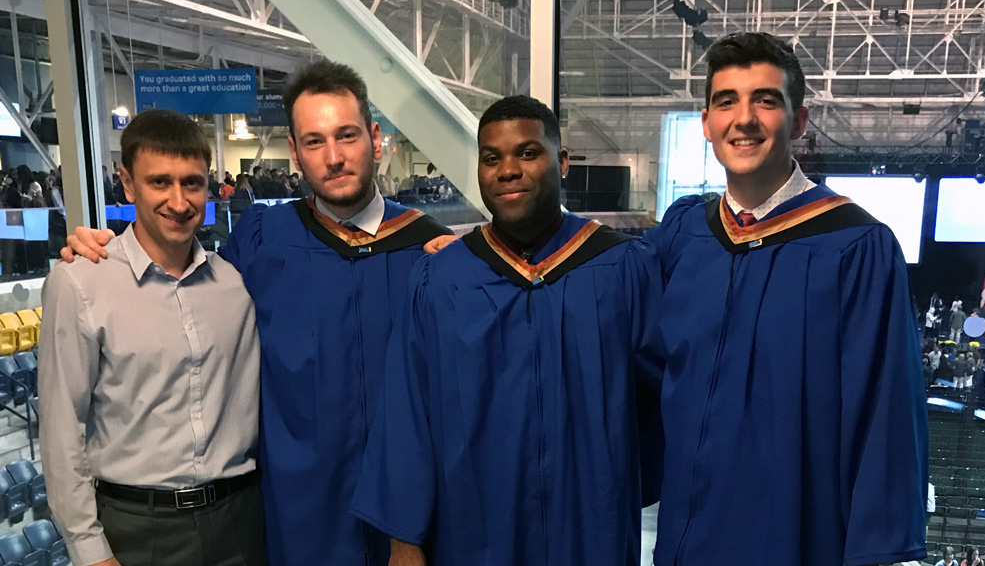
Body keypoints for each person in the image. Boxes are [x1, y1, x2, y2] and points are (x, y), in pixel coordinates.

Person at [61, 60, 452, 566]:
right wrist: (103, 250)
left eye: (347, 136)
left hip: (408, 517)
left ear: (375, 139)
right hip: (292, 518)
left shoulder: (432, 251)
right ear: (294, 151)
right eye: (314, 141)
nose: (333, 157)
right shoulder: (264, 240)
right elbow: (177, 280)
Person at [642, 32, 927, 565]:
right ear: (706, 124)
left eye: (765, 101)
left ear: (798, 120)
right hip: (685, 536)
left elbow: (884, 411)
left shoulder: (854, 245)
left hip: (797, 536)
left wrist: (877, 552)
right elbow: (605, 291)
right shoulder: (684, 233)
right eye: (726, 101)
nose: (743, 119)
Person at [351, 95, 664, 566]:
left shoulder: (619, 267)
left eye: (528, 153)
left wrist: (614, 477)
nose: (508, 169)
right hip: (473, 526)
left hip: (588, 523)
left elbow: (661, 400)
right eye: (491, 158)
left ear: (561, 162)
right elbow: (408, 414)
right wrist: (404, 538)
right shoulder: (442, 279)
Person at [39, 109, 265, 566]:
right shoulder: (82, 283)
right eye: (160, 182)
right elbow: (62, 432)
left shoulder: (235, 285)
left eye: (192, 183)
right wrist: (90, 550)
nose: (179, 202)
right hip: (137, 529)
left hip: (238, 521)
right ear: (127, 183)